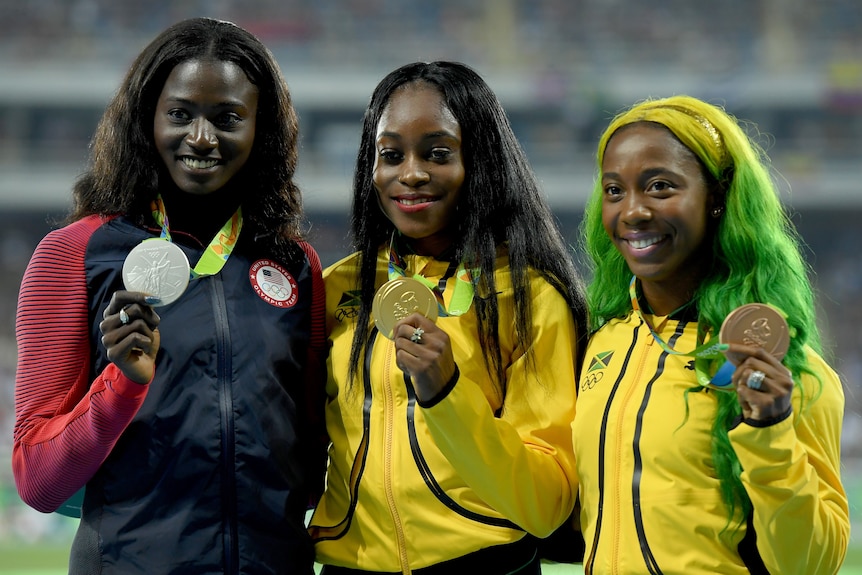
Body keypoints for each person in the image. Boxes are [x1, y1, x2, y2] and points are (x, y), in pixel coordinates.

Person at [13, 17, 326, 574]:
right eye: (180, 113)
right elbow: (37, 479)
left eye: (227, 117)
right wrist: (122, 386)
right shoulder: (74, 254)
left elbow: (309, 455)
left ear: (262, 131)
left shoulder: (293, 265)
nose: (201, 137)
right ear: (146, 120)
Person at [307, 61, 588, 574]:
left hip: (482, 564)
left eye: (437, 153)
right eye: (391, 155)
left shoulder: (529, 297)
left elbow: (548, 505)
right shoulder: (340, 288)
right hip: (352, 564)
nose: (411, 173)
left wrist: (447, 392)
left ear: (477, 161)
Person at [573, 95, 849, 574]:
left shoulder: (789, 373)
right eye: (614, 190)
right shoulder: (603, 344)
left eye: (660, 187)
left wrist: (769, 432)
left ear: (718, 199)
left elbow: (813, 564)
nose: (632, 211)